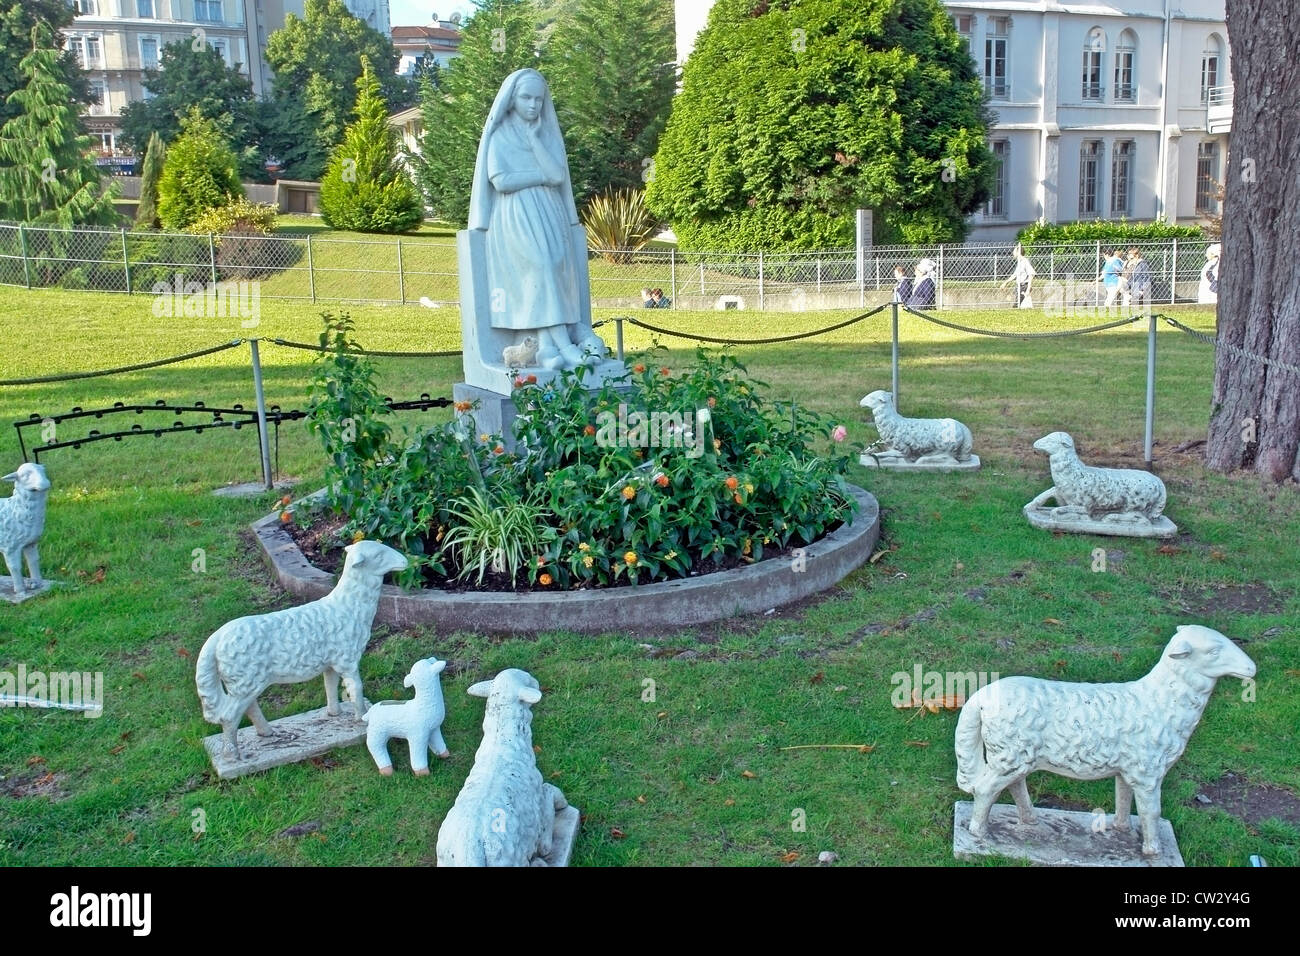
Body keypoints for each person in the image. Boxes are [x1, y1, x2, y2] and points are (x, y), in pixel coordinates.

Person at [469, 68, 603, 370]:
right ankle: (566, 346)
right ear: (512, 99)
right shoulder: (500, 134)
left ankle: (545, 348)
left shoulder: (545, 133)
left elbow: (557, 175)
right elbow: (501, 180)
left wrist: (535, 141)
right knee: (542, 267)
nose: (533, 105)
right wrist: (539, 176)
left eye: (539, 99)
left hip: (549, 213)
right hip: (515, 215)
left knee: (554, 268)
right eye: (526, 98)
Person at [998, 244, 1036, 308]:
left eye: (1014, 251)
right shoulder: (1019, 262)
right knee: (1017, 304)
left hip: (1024, 286)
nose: (1013, 252)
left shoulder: (1025, 261)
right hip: (1018, 286)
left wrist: (1028, 288)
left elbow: (1031, 274)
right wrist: (1005, 283)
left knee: (1017, 305)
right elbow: (1015, 275)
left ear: (1018, 252)